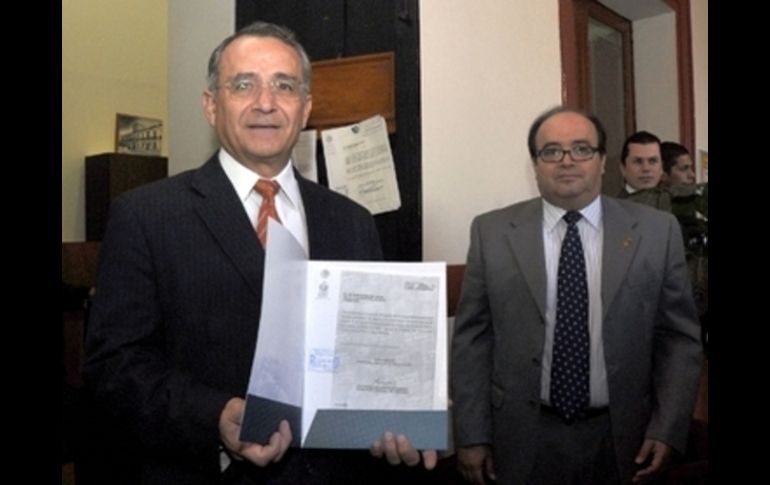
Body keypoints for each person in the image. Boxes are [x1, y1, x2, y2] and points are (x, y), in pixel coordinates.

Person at [84, 21, 436, 484]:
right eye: (243, 85)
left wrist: (410, 402)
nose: (265, 103)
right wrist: (215, 414)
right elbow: (114, 367)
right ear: (211, 105)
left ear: (305, 108)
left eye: (284, 86)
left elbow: (368, 354)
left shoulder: (352, 220)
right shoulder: (146, 216)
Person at [450, 106, 703, 484]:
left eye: (582, 149)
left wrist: (667, 428)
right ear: (535, 164)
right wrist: (471, 434)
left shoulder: (656, 231)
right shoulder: (492, 232)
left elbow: (678, 339)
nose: (567, 160)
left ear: (603, 161)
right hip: (521, 438)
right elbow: (472, 340)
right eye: (552, 150)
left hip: (626, 437)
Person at [617, 130, 664, 197]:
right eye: (638, 161)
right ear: (623, 168)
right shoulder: (613, 203)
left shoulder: (671, 201)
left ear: (662, 167)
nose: (646, 168)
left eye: (653, 161)